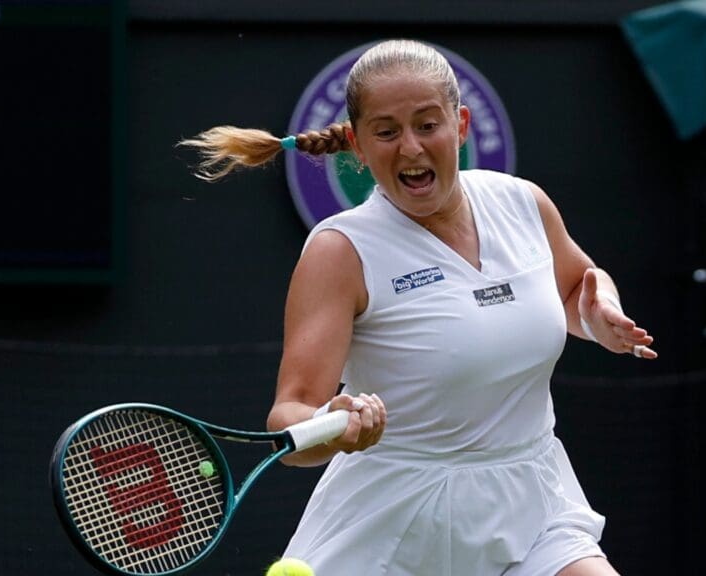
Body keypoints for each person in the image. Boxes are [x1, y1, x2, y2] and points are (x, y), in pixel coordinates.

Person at [179, 38, 657, 576]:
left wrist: (601, 315)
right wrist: (332, 423)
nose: (410, 148)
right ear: (358, 146)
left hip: (533, 501)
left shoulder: (523, 202)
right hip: (395, 525)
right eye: (386, 133)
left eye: (428, 125)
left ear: (461, 125)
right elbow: (290, 420)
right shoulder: (340, 251)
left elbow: (576, 286)